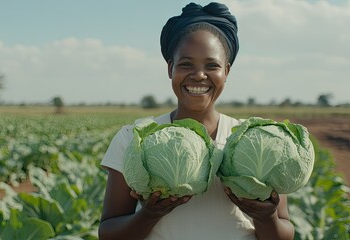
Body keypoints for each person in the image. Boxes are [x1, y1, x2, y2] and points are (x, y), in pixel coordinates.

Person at [98, 2, 295, 239]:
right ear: (170, 68)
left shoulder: (254, 140)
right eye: (186, 64)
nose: (199, 75)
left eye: (212, 65)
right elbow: (108, 233)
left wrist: (267, 217)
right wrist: (149, 214)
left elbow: (284, 233)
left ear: (227, 72)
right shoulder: (134, 138)